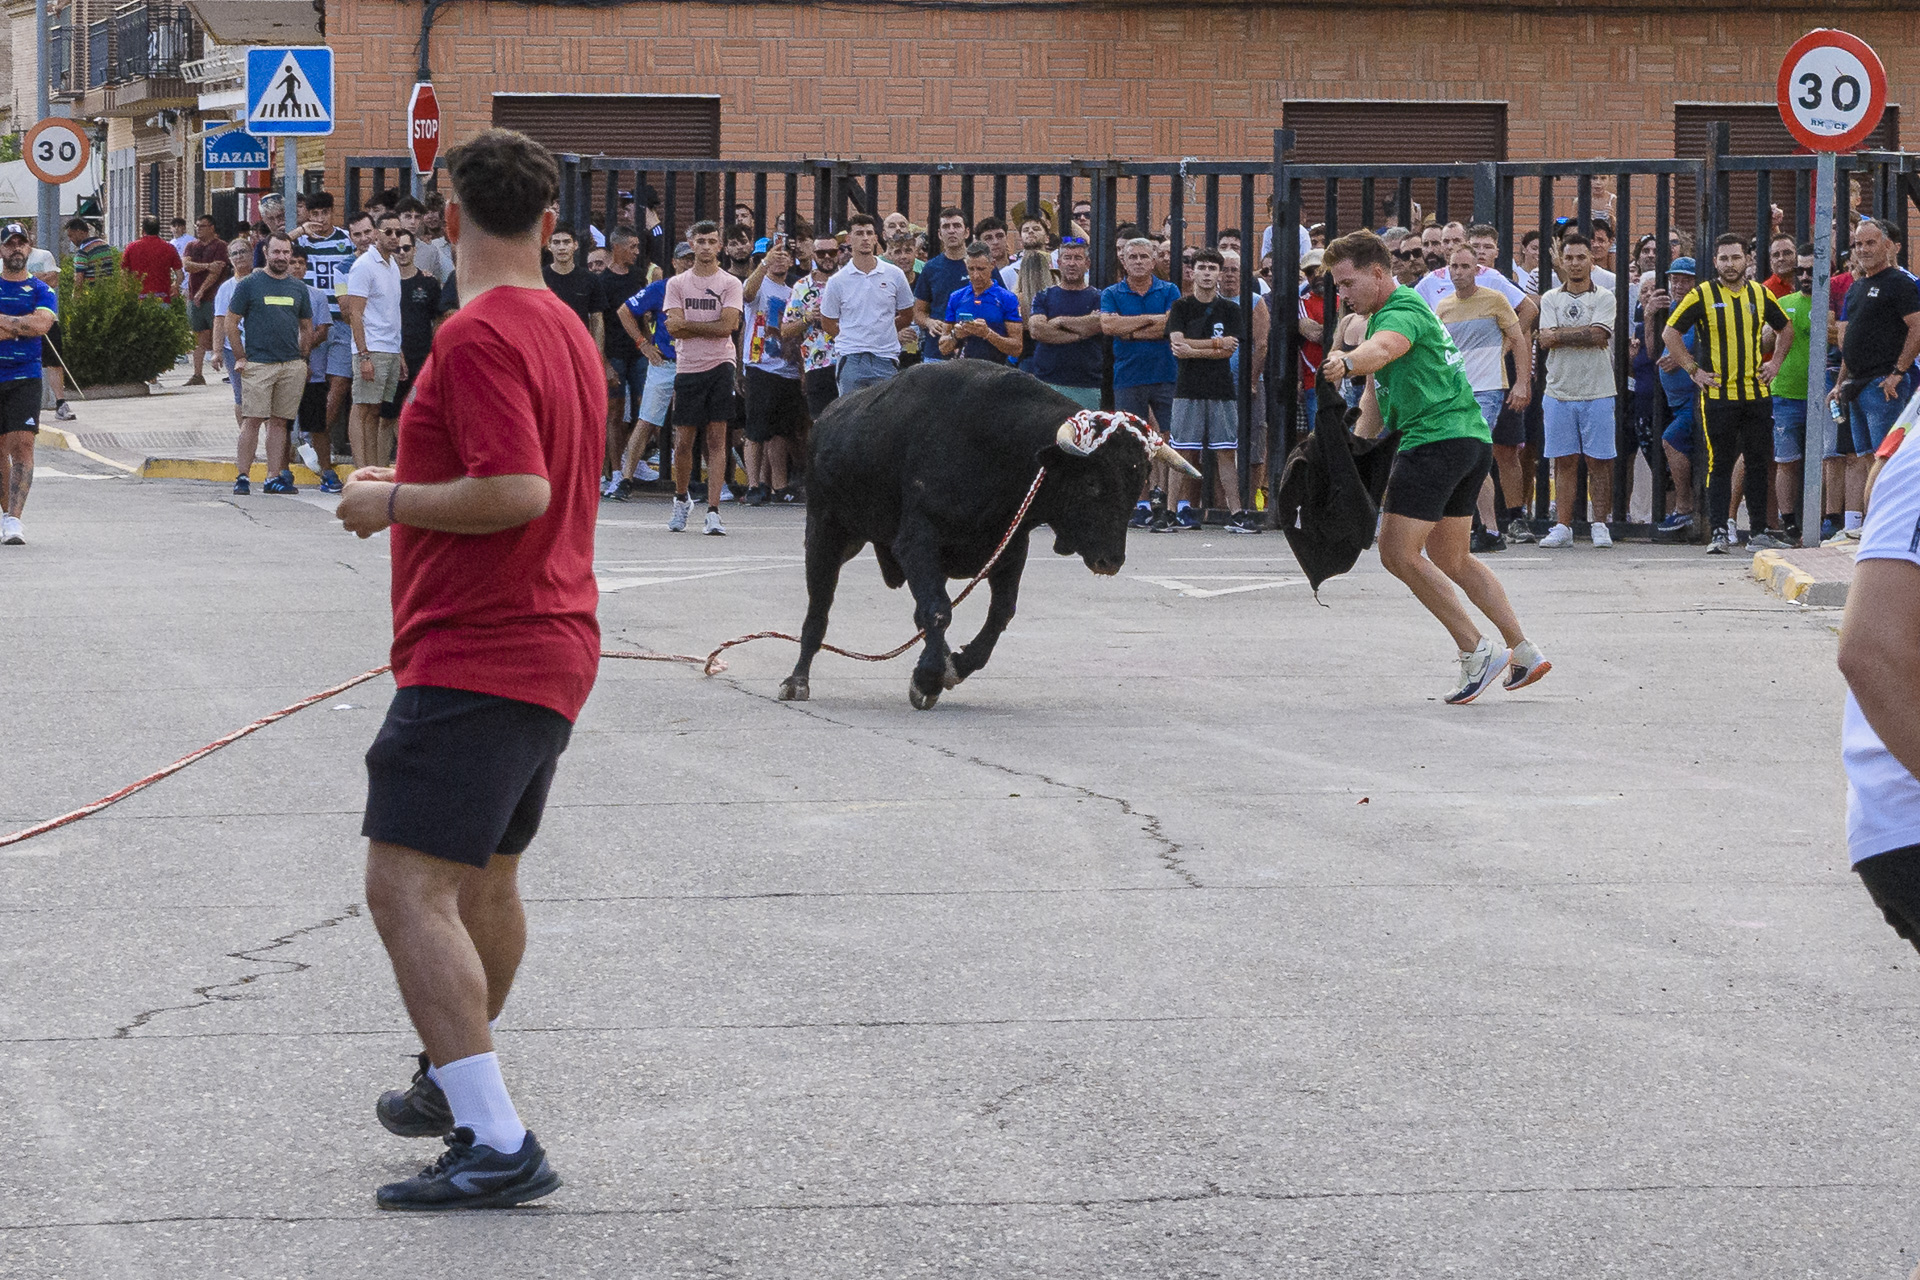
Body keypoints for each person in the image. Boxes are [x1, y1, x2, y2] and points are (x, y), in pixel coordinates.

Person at [333, 128, 599, 1213]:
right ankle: (454, 1079)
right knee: (485, 877)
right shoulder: (563, 324)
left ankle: (495, 1135)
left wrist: (387, 500)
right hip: (549, 642)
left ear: (448, 220)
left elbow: (518, 489)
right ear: (548, 223)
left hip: (479, 646)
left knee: (405, 885)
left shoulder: (479, 331)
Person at [1318, 230, 1549, 703]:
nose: (1342, 294)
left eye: (1347, 283)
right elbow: (1375, 398)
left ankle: (1475, 650)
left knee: (1396, 553)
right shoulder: (1389, 313)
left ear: (1377, 273)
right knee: (1452, 557)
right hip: (1467, 440)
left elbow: (1382, 351)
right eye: (1337, 286)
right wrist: (1353, 453)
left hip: (1434, 443)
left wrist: (1347, 361)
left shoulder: (1400, 310)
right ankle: (1522, 650)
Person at [1663, 233, 1793, 553]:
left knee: (1758, 463)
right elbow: (1670, 333)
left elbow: (1786, 328)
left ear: (1747, 259)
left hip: (1756, 394)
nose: (1730, 264)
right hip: (1719, 396)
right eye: (1724, 258)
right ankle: (1719, 531)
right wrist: (1694, 370)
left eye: (1736, 257)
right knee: (1719, 463)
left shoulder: (1760, 293)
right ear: (1715, 262)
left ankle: (1759, 531)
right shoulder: (1702, 294)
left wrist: (1775, 364)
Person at [1434, 246, 1530, 553]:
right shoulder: (1443, 307)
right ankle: (1484, 529)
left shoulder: (1495, 300)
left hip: (1488, 389)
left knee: (1472, 452)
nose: (1459, 272)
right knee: (1468, 457)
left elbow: (1518, 340)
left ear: (1476, 269)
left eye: (1465, 266)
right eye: (1454, 266)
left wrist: (1522, 383)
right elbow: (1442, 354)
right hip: (1457, 391)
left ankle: (1487, 528)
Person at [1535, 232, 1618, 549]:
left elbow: (1599, 335)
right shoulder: (1550, 298)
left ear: (1591, 260)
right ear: (1562, 261)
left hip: (1598, 390)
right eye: (1568, 258)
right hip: (1558, 390)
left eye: (1581, 257)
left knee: (1600, 462)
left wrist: (1560, 334)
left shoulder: (1605, 297)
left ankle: (1600, 524)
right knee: (1564, 461)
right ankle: (1563, 526)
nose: (1575, 263)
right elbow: (1544, 340)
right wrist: (1574, 334)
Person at [663, 219, 744, 535]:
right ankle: (681, 498)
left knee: (716, 438)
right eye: (701, 241)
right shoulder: (677, 284)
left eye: (712, 241)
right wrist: (705, 326)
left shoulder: (730, 283)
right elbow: (673, 327)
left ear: (719, 246)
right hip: (688, 365)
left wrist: (689, 325)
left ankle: (713, 510)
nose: (706, 247)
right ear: (691, 245)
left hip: (721, 363)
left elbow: (728, 326)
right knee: (683, 440)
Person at [1165, 247, 1251, 531]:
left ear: (1219, 274)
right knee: (1181, 451)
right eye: (1201, 267)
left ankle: (1236, 513)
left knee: (1226, 451)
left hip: (1221, 389)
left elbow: (1229, 350)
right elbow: (1178, 345)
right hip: (1187, 389)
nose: (1206, 273)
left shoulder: (1231, 309)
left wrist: (1195, 349)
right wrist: (1214, 344)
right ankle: (1170, 511)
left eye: (1212, 268)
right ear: (1193, 272)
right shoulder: (1181, 307)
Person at [225, 232, 315, 497]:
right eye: (276, 252)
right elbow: (231, 322)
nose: (281, 257)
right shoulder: (249, 284)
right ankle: (242, 476)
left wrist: (303, 359)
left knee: (279, 423)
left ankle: (273, 477)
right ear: (265, 253)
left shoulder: (298, 288)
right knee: (252, 420)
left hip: (290, 365)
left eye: (286, 252)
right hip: (259, 364)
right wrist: (240, 357)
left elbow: (306, 326)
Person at [1102, 236, 1181, 530]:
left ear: (1154, 260)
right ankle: (1137, 503)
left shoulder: (1169, 290)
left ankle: (1165, 502)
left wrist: (1131, 329)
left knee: (1168, 439)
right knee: (1131, 442)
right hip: (1128, 377)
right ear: (1123, 261)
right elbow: (1109, 325)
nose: (1138, 261)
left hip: (1165, 375)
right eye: (1132, 257)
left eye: (1143, 256)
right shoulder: (1112, 292)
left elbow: (1171, 325)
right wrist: (1152, 321)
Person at [1833, 218, 1920, 466]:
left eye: (1870, 243)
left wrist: (1897, 373)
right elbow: (1852, 340)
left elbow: (1917, 327)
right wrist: (1839, 383)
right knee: (1864, 459)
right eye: (1858, 244)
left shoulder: (1899, 282)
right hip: (1855, 385)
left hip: (1883, 386)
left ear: (1887, 245)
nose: (1863, 250)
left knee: (1886, 460)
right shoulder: (1856, 288)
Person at [613, 240, 694, 496]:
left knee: (691, 423)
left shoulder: (705, 288)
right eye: (684, 258)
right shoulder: (661, 288)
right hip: (665, 362)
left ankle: (688, 483)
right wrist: (643, 344)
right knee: (647, 419)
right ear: (674, 262)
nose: (689, 263)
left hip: (695, 362)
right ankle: (626, 479)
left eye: (693, 258)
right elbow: (624, 311)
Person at [0, 224, 57, 546]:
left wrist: (5, 322)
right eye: (10, 244)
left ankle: (15, 519)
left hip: (25, 376)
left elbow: (42, 324)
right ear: (1, 250)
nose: (16, 249)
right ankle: (5, 513)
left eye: (21, 243)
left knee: (22, 444)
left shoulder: (41, 290)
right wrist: (22, 325)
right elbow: (30, 325)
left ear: (29, 248)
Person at [299, 192, 358, 491]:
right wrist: (300, 229)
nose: (320, 220)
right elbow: (273, 246)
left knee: (340, 382)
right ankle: (308, 437)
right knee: (313, 382)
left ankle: (314, 436)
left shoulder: (346, 239)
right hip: (312, 320)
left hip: (342, 321)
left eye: (325, 213)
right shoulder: (302, 241)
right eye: (315, 214)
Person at [739, 235, 805, 504]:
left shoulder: (793, 291)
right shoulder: (758, 283)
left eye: (784, 255)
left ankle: (779, 485)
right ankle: (753, 484)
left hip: (786, 366)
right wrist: (764, 263)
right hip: (760, 363)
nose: (779, 259)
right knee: (756, 429)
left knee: (780, 431)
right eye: (774, 255)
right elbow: (747, 295)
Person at [818, 212, 914, 396]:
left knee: (885, 411)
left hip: (885, 357)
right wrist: (853, 335)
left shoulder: (895, 275)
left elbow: (907, 314)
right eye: (859, 233)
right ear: (849, 239)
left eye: (869, 233)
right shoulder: (837, 281)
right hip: (851, 357)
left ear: (876, 239)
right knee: (850, 411)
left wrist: (883, 330)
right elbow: (827, 322)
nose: (865, 238)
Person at [345, 212, 406, 468]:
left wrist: (399, 353)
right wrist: (364, 355)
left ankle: (370, 468)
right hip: (371, 348)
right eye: (387, 231)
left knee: (374, 411)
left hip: (389, 348)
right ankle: (361, 469)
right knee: (362, 409)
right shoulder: (364, 265)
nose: (394, 236)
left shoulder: (392, 266)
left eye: (397, 232)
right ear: (377, 234)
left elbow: (391, 313)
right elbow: (355, 313)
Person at [1025, 235, 1104, 410]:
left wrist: (1059, 321)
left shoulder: (1099, 297)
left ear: (1087, 264)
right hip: (1047, 382)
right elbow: (1037, 330)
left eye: (1078, 258)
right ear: (1059, 263)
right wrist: (1080, 333)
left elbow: (1097, 324)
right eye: (1067, 258)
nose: (1072, 263)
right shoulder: (1044, 296)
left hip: (1086, 385)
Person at [1768, 250, 1815, 542]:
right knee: (1786, 461)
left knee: (1827, 460)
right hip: (1785, 393)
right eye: (1800, 271)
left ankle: (1823, 519)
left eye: (1811, 271)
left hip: (1822, 396)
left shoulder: (1833, 303)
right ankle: (1788, 523)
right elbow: (1762, 339)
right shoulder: (1783, 304)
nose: (1805, 276)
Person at [598, 226, 643, 495]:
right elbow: (599, 324)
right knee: (614, 413)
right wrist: (604, 362)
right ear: (617, 247)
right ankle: (616, 472)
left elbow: (646, 314)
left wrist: (649, 345)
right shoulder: (603, 281)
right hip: (614, 352)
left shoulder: (638, 277)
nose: (636, 252)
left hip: (638, 351)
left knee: (644, 411)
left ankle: (631, 458)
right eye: (632, 247)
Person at [385, 230, 442, 425]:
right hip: (392, 354)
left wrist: (434, 351)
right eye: (397, 249)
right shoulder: (385, 282)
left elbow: (439, 318)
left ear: (415, 250)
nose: (402, 252)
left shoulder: (428, 282)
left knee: (418, 412)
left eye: (406, 248)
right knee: (387, 416)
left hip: (421, 357)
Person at [288, 247, 335, 482]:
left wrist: (302, 353)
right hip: (283, 370)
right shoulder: (275, 293)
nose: (297, 266)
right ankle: (281, 471)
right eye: (293, 262)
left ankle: (327, 470)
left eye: (301, 263)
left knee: (317, 424)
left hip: (313, 372)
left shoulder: (317, 295)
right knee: (282, 424)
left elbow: (322, 330)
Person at [782, 232, 838, 420]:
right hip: (817, 363)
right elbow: (786, 330)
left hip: (848, 360)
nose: (827, 257)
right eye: (821, 253)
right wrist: (807, 318)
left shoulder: (849, 281)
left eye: (832, 252)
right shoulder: (801, 286)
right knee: (820, 422)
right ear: (813, 255)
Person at [938, 242, 1023, 363]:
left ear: (992, 265)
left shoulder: (1007, 298)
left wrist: (988, 334)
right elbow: (943, 348)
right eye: (971, 269)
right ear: (965, 265)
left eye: (981, 269)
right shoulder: (956, 297)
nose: (976, 275)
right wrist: (955, 335)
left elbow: (1017, 348)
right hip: (964, 368)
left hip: (995, 368)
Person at [912, 206, 972, 364]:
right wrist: (928, 322)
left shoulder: (981, 265)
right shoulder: (931, 268)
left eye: (957, 226)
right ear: (939, 234)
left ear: (966, 232)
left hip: (974, 352)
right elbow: (918, 311)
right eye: (946, 226)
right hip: (936, 352)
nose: (951, 231)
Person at [182, 215, 230, 386]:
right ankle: (197, 374)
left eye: (202, 226)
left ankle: (230, 371)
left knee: (221, 334)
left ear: (212, 227)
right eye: (197, 226)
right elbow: (187, 265)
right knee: (198, 336)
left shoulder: (220, 246)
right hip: (194, 298)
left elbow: (217, 272)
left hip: (213, 298)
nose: (199, 229)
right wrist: (207, 266)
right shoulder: (191, 246)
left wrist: (201, 291)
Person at [121, 218, 182, 300]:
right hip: (162, 296)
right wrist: (175, 286)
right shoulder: (169, 248)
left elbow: (123, 273)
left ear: (143, 230)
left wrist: (126, 290)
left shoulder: (131, 247)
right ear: (158, 230)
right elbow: (180, 275)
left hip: (138, 297)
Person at [65, 218, 113, 285]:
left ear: (79, 232)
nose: (70, 239)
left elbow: (79, 280)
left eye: (71, 236)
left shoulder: (82, 252)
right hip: (110, 287)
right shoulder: (105, 245)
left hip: (92, 289)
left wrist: (76, 291)